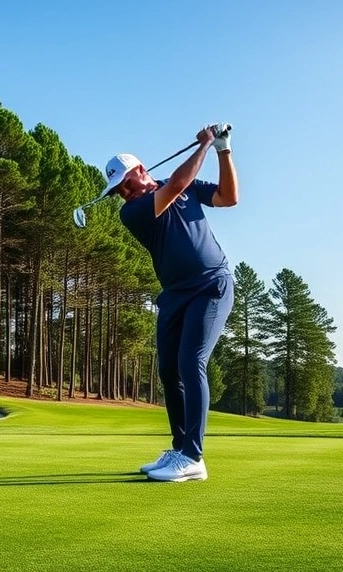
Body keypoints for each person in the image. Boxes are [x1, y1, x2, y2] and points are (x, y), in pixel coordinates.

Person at [102, 124, 238, 482]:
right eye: (117, 191)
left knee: (191, 361)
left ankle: (193, 456)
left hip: (211, 285)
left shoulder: (183, 182)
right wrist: (205, 145)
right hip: (175, 294)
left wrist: (223, 150)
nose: (124, 193)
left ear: (141, 171)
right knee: (168, 371)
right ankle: (180, 449)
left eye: (126, 184)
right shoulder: (133, 212)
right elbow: (176, 185)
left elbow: (228, 198)